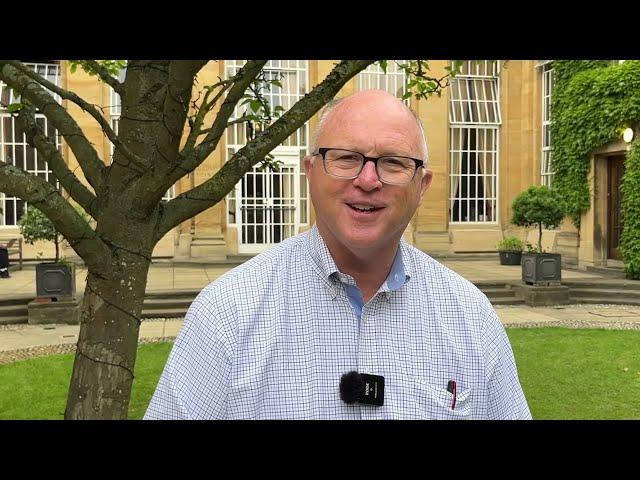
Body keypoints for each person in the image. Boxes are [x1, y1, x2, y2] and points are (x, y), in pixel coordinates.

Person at [144, 89, 531, 420]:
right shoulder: (226, 314)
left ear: (422, 184)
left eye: (393, 163)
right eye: (346, 158)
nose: (367, 180)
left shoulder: (470, 316)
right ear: (310, 171)